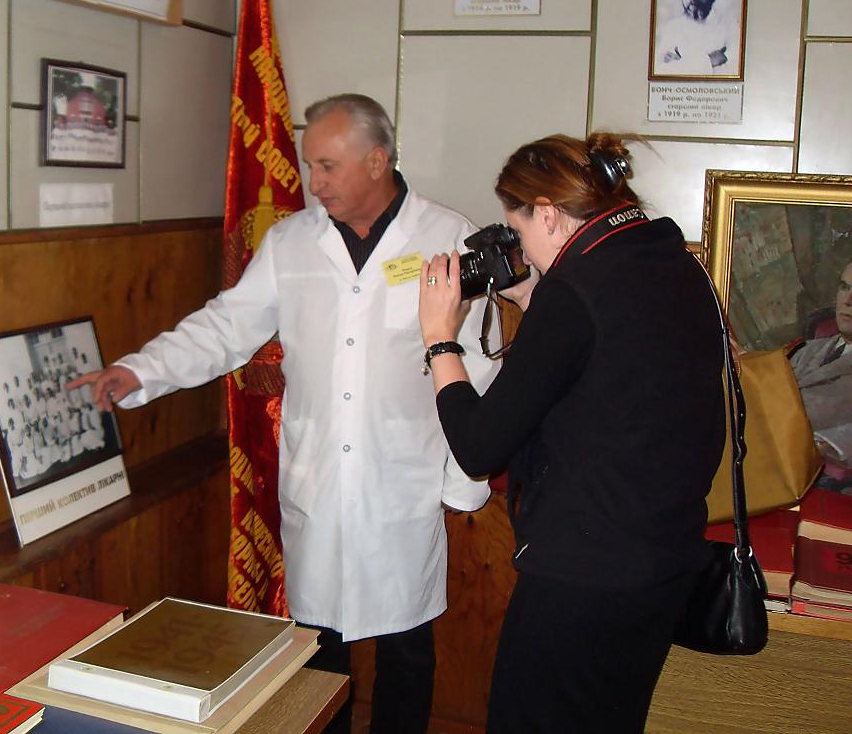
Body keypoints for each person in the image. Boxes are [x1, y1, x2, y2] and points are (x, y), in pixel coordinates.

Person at [69, 93, 499, 734]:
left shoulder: (447, 238)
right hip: (318, 482)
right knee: (317, 656)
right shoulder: (291, 242)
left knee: (407, 651)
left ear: (377, 160)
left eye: (328, 166)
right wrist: (141, 371)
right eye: (309, 164)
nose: (313, 182)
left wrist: (462, 483)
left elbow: (479, 367)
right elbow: (226, 327)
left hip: (401, 482)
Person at [418, 133, 726, 732]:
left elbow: (479, 447)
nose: (526, 252)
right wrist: (534, 297)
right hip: (661, 567)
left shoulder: (575, 292)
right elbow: (614, 361)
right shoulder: (672, 261)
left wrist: (439, 338)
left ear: (549, 214)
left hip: (583, 578)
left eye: (521, 231)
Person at [790, 259, 852, 472]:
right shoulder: (808, 349)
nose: (848, 300)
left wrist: (826, 445)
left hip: (812, 470)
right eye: (844, 287)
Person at [656, 0, 740, 76]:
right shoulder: (673, 28)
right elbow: (661, 71)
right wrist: (709, 61)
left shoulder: (730, 26)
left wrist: (681, 64)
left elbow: (734, 71)